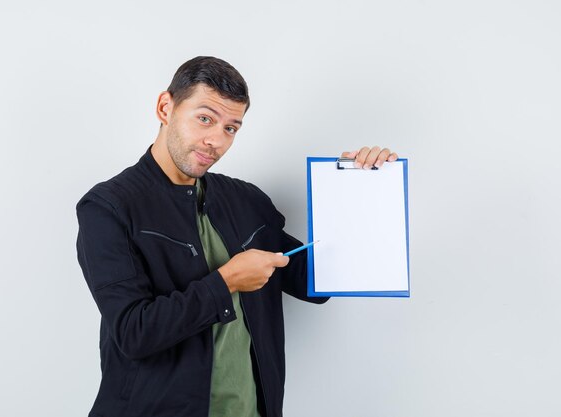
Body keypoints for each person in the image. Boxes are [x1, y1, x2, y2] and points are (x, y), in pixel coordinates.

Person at [76, 56, 398, 417]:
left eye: (231, 128)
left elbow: (317, 282)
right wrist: (227, 280)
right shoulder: (108, 207)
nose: (216, 139)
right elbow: (134, 332)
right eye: (205, 118)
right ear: (166, 107)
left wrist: (356, 191)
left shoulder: (247, 201)